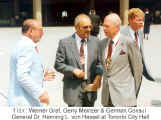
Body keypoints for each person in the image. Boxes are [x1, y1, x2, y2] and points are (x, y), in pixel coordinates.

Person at [55, 13, 103, 107]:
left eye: (90, 27)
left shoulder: (96, 41)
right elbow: (58, 64)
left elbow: (100, 62)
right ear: (76, 27)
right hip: (73, 89)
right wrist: (73, 70)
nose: (89, 29)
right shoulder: (65, 43)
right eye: (85, 27)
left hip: (90, 90)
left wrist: (98, 76)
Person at [8, 19, 55, 106]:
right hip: (24, 103)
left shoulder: (21, 44)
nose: (43, 33)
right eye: (40, 30)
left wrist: (41, 76)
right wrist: (41, 93)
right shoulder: (26, 46)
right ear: (31, 31)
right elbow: (22, 75)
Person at [100, 13, 143, 107]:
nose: (103, 29)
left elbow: (138, 71)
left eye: (107, 26)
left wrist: (131, 94)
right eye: (103, 26)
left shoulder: (129, 43)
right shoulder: (102, 44)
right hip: (107, 98)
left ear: (117, 27)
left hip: (125, 99)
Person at [121, 8, 155, 81]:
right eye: (139, 20)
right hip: (124, 77)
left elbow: (140, 53)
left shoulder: (139, 32)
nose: (142, 22)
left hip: (137, 76)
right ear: (130, 20)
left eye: (142, 20)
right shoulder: (121, 33)